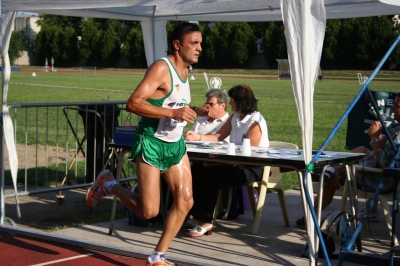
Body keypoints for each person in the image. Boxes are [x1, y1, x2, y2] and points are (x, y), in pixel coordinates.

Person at [86, 22, 203, 266]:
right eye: (194, 43)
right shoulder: (162, 67)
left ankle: (157, 256)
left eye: (200, 43)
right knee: (149, 211)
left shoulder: (186, 72)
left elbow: (171, 105)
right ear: (177, 44)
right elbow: (134, 103)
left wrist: (194, 111)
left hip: (174, 145)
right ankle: (108, 184)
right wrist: (173, 115)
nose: (199, 48)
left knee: (186, 201)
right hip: (151, 143)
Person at [296, 92, 400, 229]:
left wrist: (375, 138)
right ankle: (331, 169)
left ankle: (310, 218)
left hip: (380, 179)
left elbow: (387, 165)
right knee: (361, 149)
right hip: (377, 170)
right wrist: (379, 141)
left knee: (332, 181)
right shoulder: (397, 128)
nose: (392, 108)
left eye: (396, 106)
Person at [184, 84, 269, 237]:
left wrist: (219, 162)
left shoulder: (254, 122)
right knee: (198, 169)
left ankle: (206, 220)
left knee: (212, 176)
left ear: (241, 101)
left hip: (253, 168)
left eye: (233, 100)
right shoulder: (235, 117)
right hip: (236, 163)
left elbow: (249, 154)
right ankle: (197, 215)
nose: (230, 103)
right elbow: (218, 136)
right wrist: (198, 137)